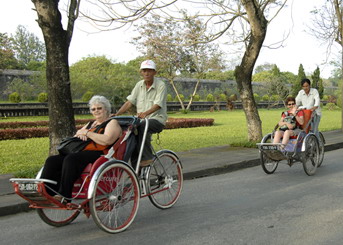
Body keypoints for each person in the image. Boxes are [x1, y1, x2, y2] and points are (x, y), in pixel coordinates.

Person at [40, 95, 122, 203]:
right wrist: (82, 133)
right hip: (83, 151)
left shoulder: (112, 123)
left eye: (99, 108)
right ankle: (46, 191)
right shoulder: (91, 123)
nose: (96, 111)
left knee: (71, 159)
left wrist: (87, 133)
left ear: (106, 109)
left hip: (101, 153)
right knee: (52, 160)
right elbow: (77, 134)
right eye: (93, 109)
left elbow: (107, 140)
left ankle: (65, 195)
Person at [115, 60, 167, 167]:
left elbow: (158, 104)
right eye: (144, 71)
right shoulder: (139, 85)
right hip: (141, 121)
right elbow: (130, 102)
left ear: (154, 73)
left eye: (149, 71)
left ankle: (147, 157)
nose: (147, 73)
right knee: (131, 135)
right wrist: (117, 114)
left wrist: (145, 113)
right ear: (141, 72)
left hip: (157, 119)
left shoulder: (161, 85)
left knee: (143, 126)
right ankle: (135, 170)